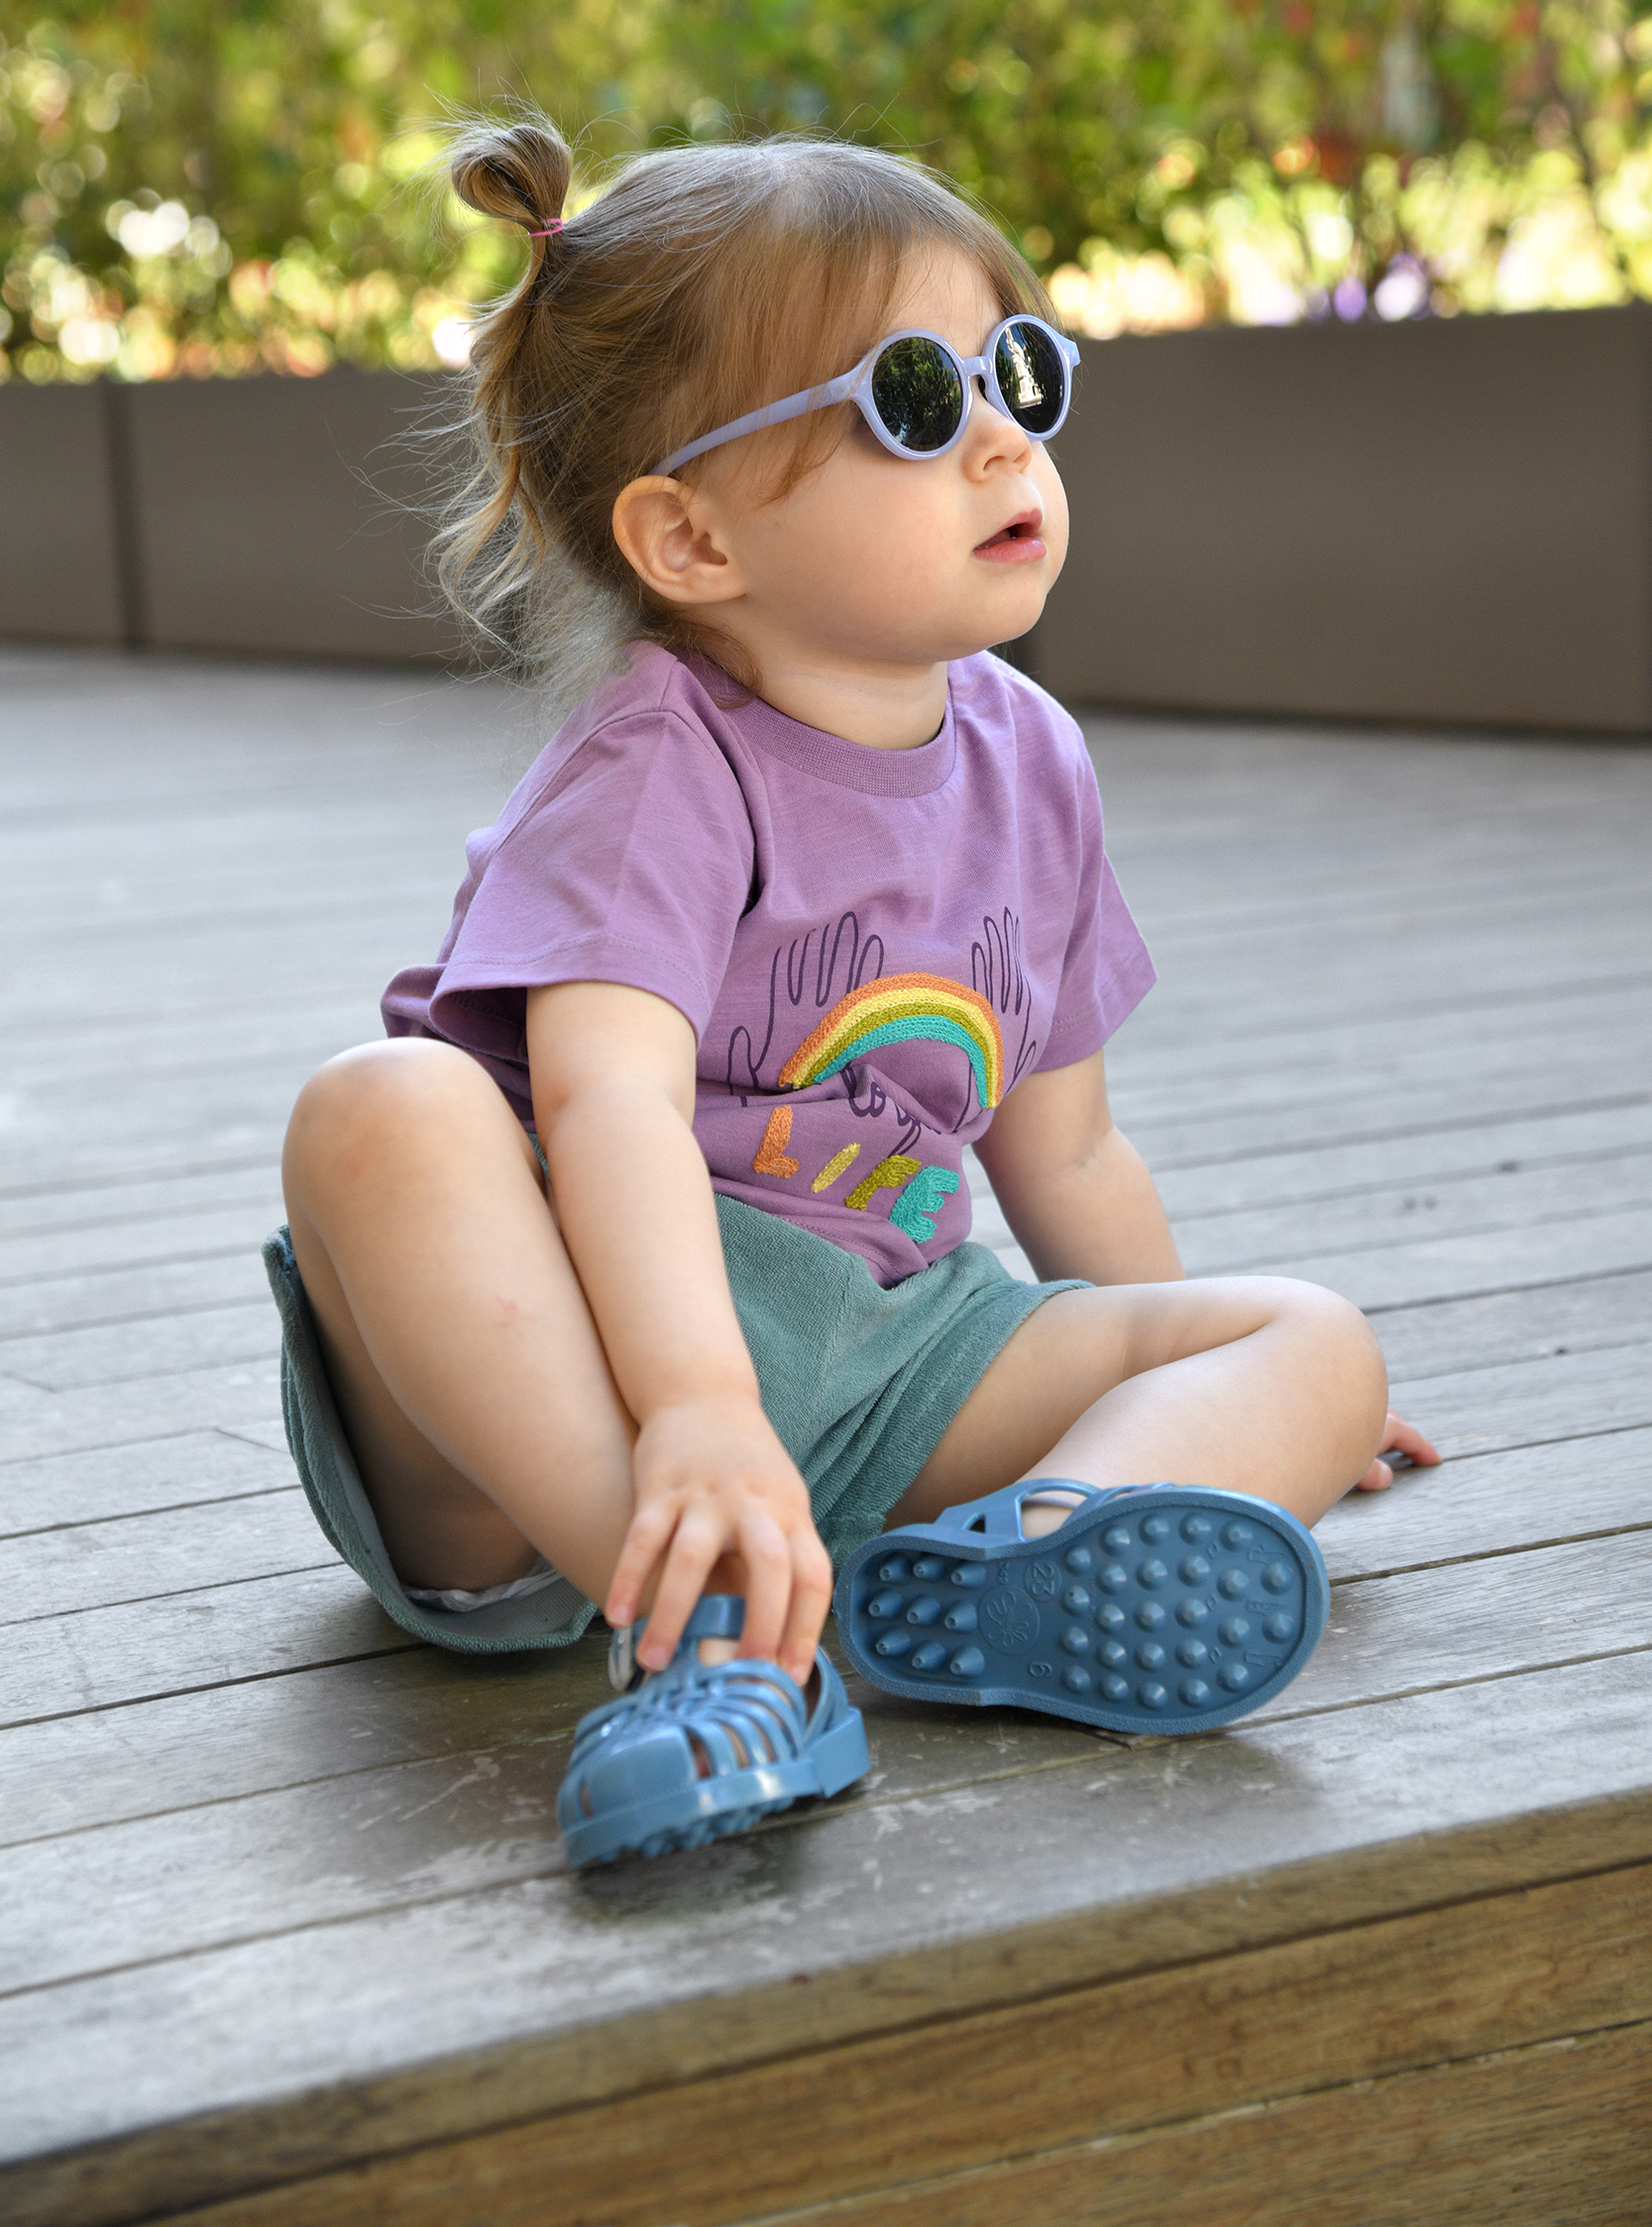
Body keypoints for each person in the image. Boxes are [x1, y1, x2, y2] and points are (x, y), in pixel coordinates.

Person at [266, 116, 1437, 1870]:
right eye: (910, 402)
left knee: (1310, 1340)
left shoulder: (1028, 756)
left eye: (1014, 376)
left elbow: (1073, 1154)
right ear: (690, 538)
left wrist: (1220, 1410)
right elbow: (604, 1109)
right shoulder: (661, 761)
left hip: (886, 1358)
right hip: (557, 1384)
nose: (997, 440)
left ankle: (1052, 1545)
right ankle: (711, 1627)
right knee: (383, 1108)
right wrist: (700, 1413)